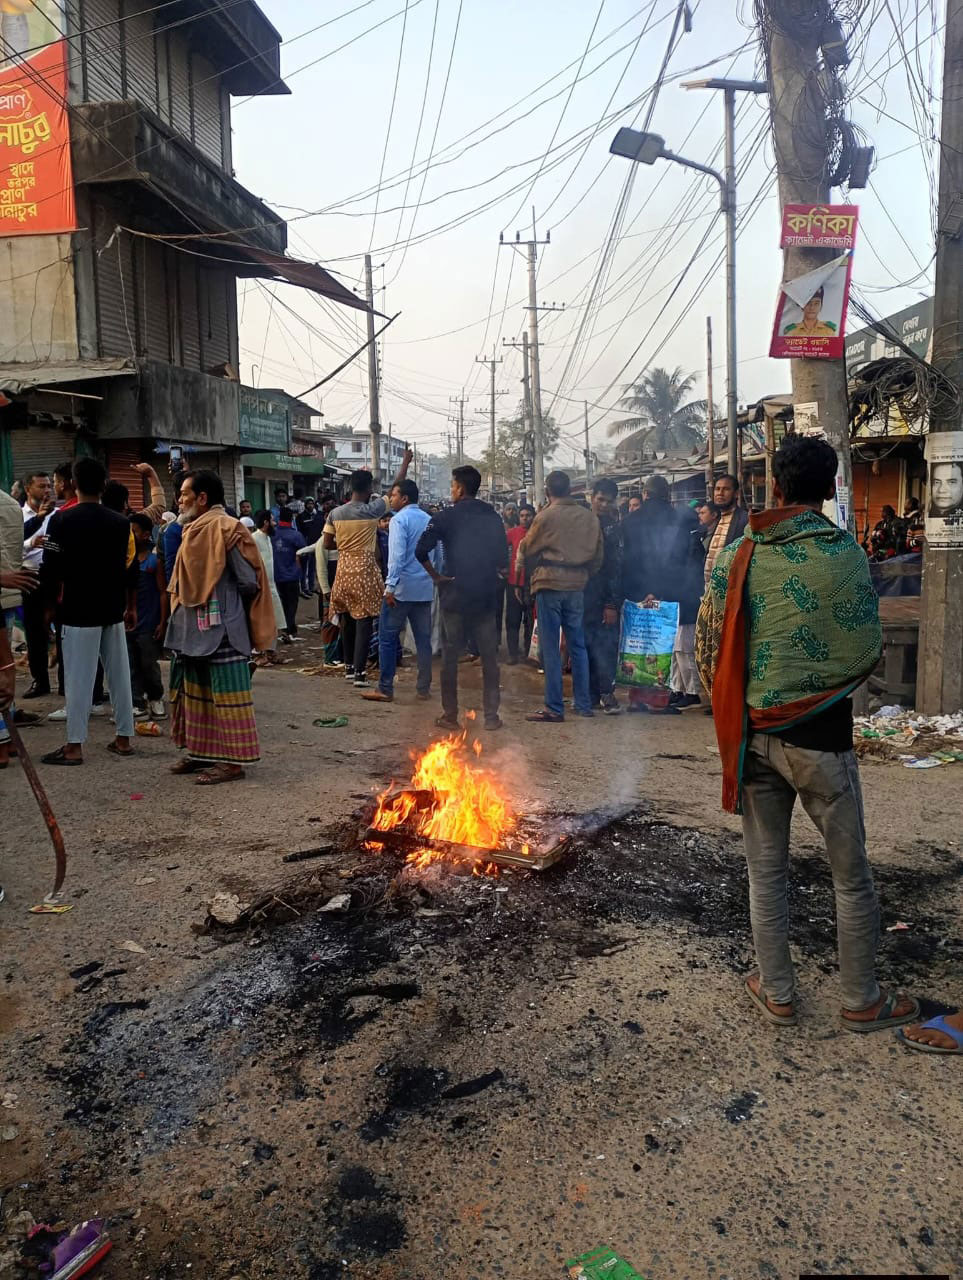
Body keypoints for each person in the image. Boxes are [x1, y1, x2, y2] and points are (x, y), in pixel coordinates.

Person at [695, 434, 919, 1033]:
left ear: (775, 484)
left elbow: (707, 642)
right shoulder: (844, 554)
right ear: (829, 490)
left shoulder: (740, 550)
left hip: (753, 736)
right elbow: (866, 647)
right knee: (851, 875)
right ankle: (861, 1000)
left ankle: (778, 993)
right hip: (822, 740)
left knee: (765, 872)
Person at [165, 470, 276, 785]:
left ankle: (232, 764)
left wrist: (221, 601)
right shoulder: (192, 528)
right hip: (192, 630)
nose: (180, 499)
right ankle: (200, 753)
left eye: (185, 494)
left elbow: (247, 580)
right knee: (196, 694)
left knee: (228, 696)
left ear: (202, 498)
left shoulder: (228, 528)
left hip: (222, 629)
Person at [38, 457, 138, 766]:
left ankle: (73, 746)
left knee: (79, 679)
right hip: (111, 607)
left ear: (73, 484)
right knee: (119, 676)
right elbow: (127, 569)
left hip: (78, 609)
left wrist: (49, 608)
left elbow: (50, 570)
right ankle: (123, 738)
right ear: (105, 485)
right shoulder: (121, 523)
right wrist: (129, 606)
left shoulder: (61, 520)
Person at [416, 464, 507, 731]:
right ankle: (491, 716)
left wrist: (436, 577)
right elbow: (503, 559)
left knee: (450, 657)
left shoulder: (446, 516)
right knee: (489, 657)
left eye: (453, 485)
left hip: (455, 594)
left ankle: (450, 715)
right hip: (485, 595)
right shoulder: (492, 515)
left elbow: (421, 550)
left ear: (461, 487)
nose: (451, 490)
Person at [516, 470, 602, 724]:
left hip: (549, 583)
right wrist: (584, 575)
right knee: (578, 645)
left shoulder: (545, 516)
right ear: (571, 489)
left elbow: (527, 547)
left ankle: (554, 707)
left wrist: (523, 575)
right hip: (577, 584)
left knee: (551, 648)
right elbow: (598, 557)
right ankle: (583, 704)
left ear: (547, 490)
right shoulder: (589, 517)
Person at [324, 453, 411, 689]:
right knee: (364, 620)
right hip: (364, 569)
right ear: (369, 487)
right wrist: (404, 463)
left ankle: (349, 669)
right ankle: (361, 673)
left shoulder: (335, 513)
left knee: (346, 619)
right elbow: (394, 488)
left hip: (342, 569)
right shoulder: (372, 511)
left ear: (351, 486)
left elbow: (326, 544)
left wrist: (344, 544)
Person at [620, 475, 701, 715]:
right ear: (667, 494)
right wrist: (662, 589)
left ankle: (637, 698)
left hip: (637, 591)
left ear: (645, 494)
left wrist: (636, 590)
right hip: (669, 590)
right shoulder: (678, 519)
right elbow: (678, 558)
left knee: (640, 645)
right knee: (662, 645)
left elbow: (627, 559)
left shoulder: (630, 521)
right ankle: (659, 700)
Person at [363, 478, 433, 704]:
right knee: (423, 640)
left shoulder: (399, 520)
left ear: (404, 498)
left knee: (387, 638)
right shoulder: (429, 519)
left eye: (393, 495)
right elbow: (436, 555)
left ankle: (385, 687)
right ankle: (423, 688)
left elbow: (396, 557)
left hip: (401, 589)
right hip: (424, 589)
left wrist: (390, 586)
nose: (390, 499)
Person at [1, 483, 41, 773]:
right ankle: (8, 736)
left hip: (11, 588)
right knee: (5, 671)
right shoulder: (12, 505)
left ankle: (4, 742)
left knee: (4, 671)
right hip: (10, 593)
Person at [582, 478, 623, 714]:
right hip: (581, 594)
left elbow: (616, 568)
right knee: (583, 644)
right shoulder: (581, 523)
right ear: (591, 497)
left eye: (608, 501)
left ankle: (606, 692)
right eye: (600, 499)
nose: (604, 505)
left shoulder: (614, 529)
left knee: (605, 646)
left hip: (604, 595)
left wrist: (611, 603)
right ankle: (587, 694)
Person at [127, 512, 168, 719]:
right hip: (129, 623)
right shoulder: (126, 562)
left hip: (149, 622)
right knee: (131, 664)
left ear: (145, 535)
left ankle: (155, 697)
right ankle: (136, 701)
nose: (130, 536)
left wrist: (162, 621)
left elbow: (162, 593)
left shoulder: (153, 562)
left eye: (133, 531)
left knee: (148, 663)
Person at [20, 470, 54, 698]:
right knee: (34, 632)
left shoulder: (57, 515)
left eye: (49, 486)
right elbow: (12, 546)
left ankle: (67, 683)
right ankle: (40, 681)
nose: (47, 490)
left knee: (62, 629)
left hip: (53, 577)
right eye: (41, 486)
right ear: (28, 489)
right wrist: (32, 542)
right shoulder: (17, 516)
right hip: (29, 576)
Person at [251, 509, 286, 652]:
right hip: (261, 587)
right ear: (266, 522)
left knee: (274, 621)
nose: (275, 523)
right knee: (263, 621)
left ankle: (271, 652)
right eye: (272, 520)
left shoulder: (267, 538)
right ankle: (260, 654)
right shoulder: (254, 539)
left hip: (271, 586)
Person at [505, 504, 535, 664]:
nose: (525, 518)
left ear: (533, 516)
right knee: (513, 620)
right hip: (513, 582)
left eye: (528, 515)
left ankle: (530, 653)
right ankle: (512, 653)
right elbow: (501, 548)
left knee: (530, 621)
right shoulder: (513, 533)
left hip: (533, 584)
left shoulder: (538, 534)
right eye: (522, 515)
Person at [272, 506, 306, 641]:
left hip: (276, 575)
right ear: (292, 518)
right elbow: (304, 553)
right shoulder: (295, 535)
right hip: (292, 575)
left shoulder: (272, 534)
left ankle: (285, 627)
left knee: (282, 603)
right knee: (291, 603)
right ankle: (289, 628)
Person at [296, 497, 324, 596]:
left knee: (313, 567)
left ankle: (312, 587)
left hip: (316, 544)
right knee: (304, 568)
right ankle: (304, 588)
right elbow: (299, 531)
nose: (310, 505)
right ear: (305, 505)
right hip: (305, 545)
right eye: (308, 504)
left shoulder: (318, 516)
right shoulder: (301, 517)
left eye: (312, 503)